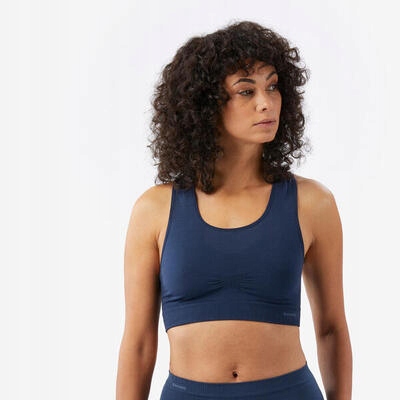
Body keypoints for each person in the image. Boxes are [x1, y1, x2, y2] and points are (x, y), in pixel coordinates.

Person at [116, 20, 353, 400]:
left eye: (272, 86)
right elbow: (139, 343)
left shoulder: (312, 203)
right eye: (246, 91)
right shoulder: (155, 209)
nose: (266, 102)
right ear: (205, 105)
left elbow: (331, 329)